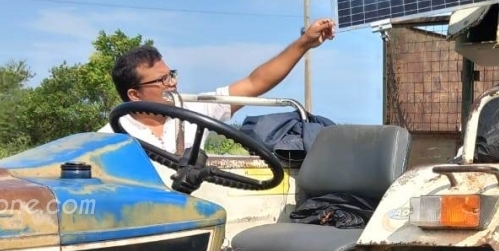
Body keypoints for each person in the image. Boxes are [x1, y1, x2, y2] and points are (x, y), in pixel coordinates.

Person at [99, 18, 336, 154]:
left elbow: (255, 83)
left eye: (171, 74)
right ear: (134, 94)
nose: (173, 82)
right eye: (162, 80)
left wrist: (303, 44)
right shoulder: (108, 140)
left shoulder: (194, 109)